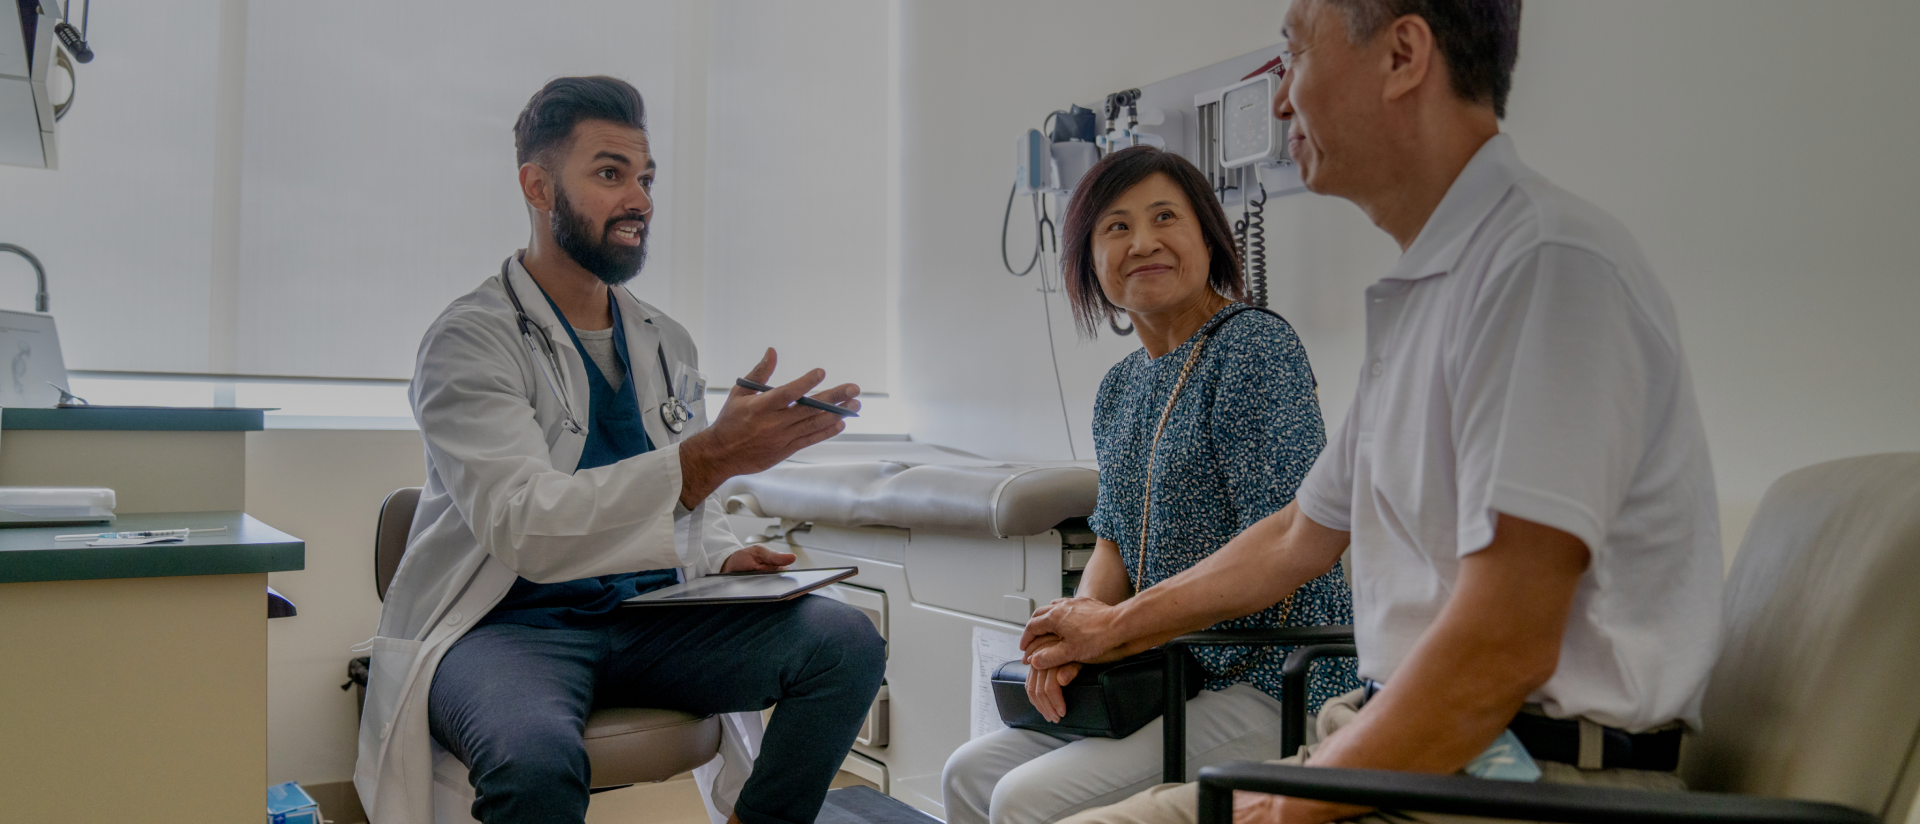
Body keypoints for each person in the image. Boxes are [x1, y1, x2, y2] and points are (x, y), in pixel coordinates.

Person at [1024, 2, 1725, 824]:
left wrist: (1287, 807)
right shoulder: (1431, 292)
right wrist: (1109, 629)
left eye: (1295, 55)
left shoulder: (1544, 269)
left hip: (1527, 781)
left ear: (1402, 56)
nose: (1278, 99)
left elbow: (1500, 648)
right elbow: (1295, 534)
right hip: (1409, 749)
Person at [353, 76, 886, 824]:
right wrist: (712, 456)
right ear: (537, 187)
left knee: (846, 643)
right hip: (505, 628)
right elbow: (525, 525)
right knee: (534, 763)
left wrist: (724, 554)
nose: (639, 199)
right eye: (610, 174)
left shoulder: (666, 341)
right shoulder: (469, 341)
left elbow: (682, 496)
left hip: (649, 619)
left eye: (646, 179)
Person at [942, 146, 1358, 824]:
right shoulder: (1120, 388)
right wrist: (1072, 637)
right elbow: (1112, 544)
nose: (1142, 242)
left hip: (1268, 679)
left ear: (1208, 238)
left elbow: (1286, 545)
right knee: (967, 773)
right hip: (1167, 675)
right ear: (1089, 261)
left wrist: (1112, 630)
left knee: (1023, 800)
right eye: (1116, 227)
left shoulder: (1253, 349)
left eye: (1165, 217)